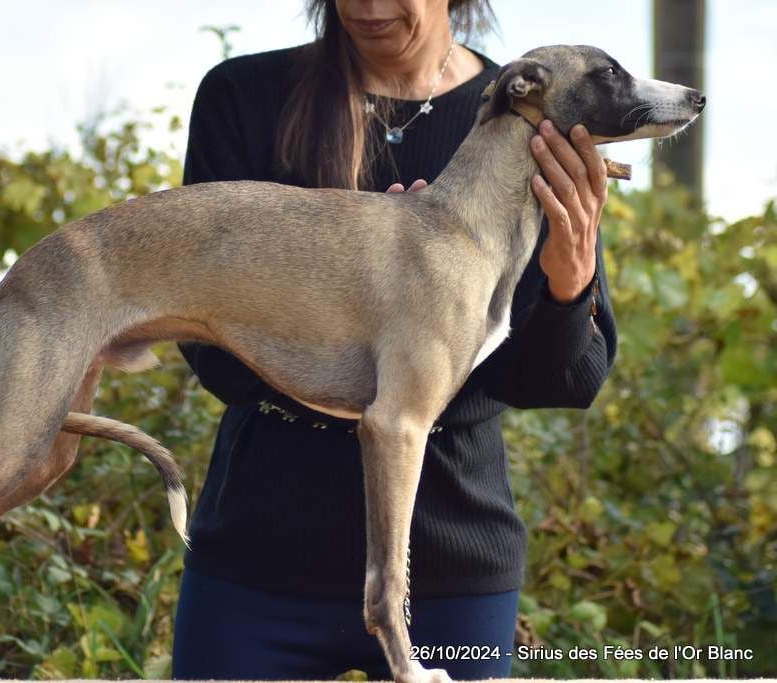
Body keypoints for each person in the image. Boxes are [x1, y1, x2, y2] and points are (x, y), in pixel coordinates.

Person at [172, 0, 618, 679]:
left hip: (453, 570)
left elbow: (566, 380)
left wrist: (570, 274)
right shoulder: (244, 96)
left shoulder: (532, 105)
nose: (368, 6)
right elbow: (210, 350)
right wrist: (376, 296)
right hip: (256, 561)